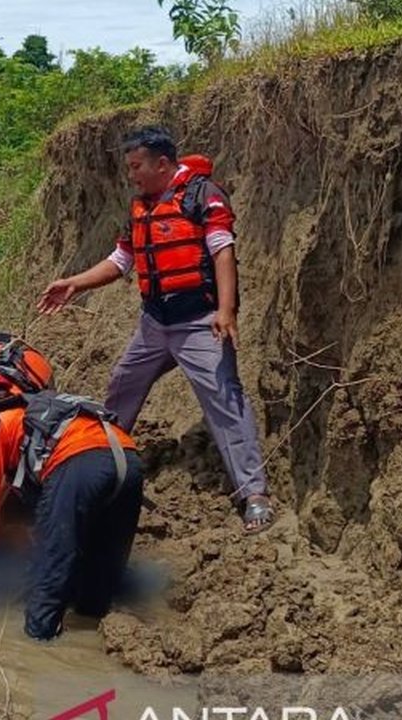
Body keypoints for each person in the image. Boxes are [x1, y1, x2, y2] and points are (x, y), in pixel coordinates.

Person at [37, 126, 274, 534]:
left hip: (200, 322)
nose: (132, 175)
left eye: (136, 166)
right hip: (154, 323)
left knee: (224, 399)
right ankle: (100, 464)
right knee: (122, 384)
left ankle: (253, 493)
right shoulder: (140, 208)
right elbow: (120, 261)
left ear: (162, 164)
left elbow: (223, 250)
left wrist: (226, 309)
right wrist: (75, 282)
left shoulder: (203, 196)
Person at [0, 368, 146, 641]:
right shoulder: (25, 407)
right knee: (95, 594)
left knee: (47, 582)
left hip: (79, 461)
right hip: (128, 461)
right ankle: (89, 645)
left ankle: (36, 652)